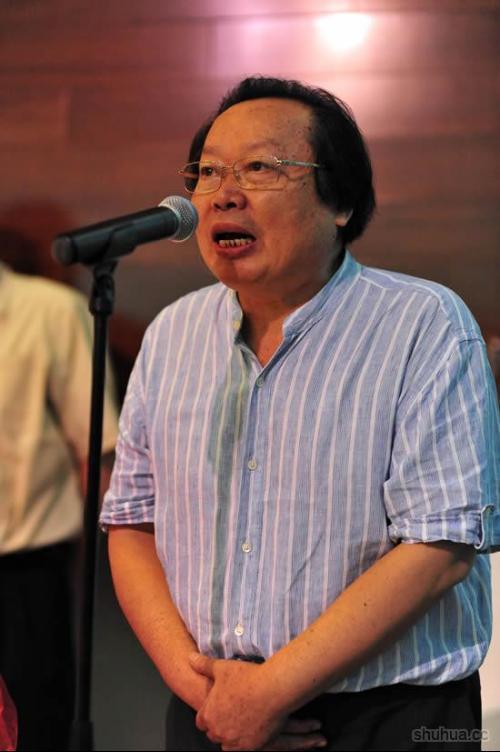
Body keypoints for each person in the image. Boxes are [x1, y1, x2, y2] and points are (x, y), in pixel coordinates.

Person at [100, 76, 500, 751]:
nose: (224, 193)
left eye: (260, 167)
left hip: (391, 718)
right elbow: (132, 522)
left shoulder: (423, 324)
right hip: (209, 710)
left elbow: (439, 549)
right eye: (208, 172)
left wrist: (271, 692)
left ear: (340, 201)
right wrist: (208, 694)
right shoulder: (172, 334)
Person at [0, 247, 119, 751]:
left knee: (32, 732)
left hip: (23, 575)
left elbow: (99, 452)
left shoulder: (52, 311)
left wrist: (108, 570)